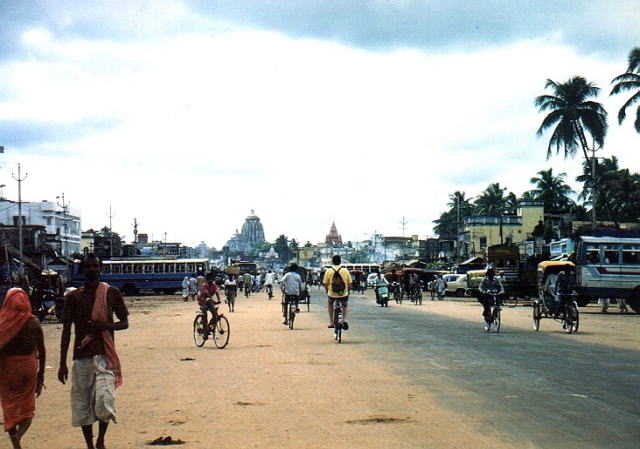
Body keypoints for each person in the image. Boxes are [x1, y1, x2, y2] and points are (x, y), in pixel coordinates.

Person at [58, 254, 129, 449]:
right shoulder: (73, 297)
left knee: (105, 399)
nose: (92, 270)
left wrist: (105, 326)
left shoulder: (111, 293)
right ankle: (89, 444)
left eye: (95, 266)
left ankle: (100, 440)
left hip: (105, 356)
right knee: (83, 404)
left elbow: (124, 322)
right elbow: (66, 332)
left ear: (100, 268)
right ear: (83, 269)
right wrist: (62, 363)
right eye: (88, 266)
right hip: (81, 357)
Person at [0, 288, 46, 449]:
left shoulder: (2, 323)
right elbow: (42, 351)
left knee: (9, 406)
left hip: (8, 369)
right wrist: (41, 375)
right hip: (28, 367)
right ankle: (18, 438)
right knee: (28, 407)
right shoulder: (34, 322)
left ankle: (15, 439)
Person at [323, 255, 352, 330]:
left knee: (330, 303)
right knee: (345, 305)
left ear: (333, 262)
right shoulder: (345, 271)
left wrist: (327, 291)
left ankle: (331, 322)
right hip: (343, 293)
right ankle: (343, 320)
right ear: (340, 262)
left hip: (332, 293)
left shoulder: (328, 271)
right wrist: (348, 291)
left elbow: (325, 284)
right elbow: (349, 284)